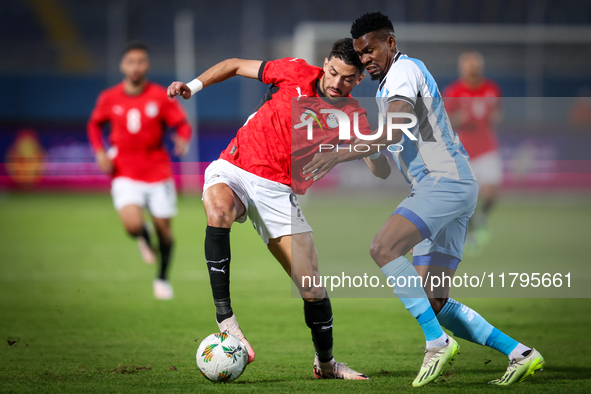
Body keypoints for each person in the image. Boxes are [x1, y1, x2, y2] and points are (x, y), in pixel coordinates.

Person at [303, 12, 544, 387]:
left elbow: (395, 126)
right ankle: (520, 353)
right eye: (360, 53)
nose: (366, 58)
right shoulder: (387, 91)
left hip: (443, 183)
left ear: (391, 44)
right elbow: (383, 168)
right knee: (432, 301)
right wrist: (363, 144)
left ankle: (436, 342)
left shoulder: (404, 71)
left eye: (370, 50)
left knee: (382, 248)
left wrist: (339, 151)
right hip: (450, 187)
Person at [167, 38, 371, 379]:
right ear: (325, 63)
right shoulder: (294, 71)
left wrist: (354, 151)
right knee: (217, 212)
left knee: (311, 288)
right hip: (235, 165)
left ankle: (326, 364)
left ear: (359, 80)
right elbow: (233, 63)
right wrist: (192, 86)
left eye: (347, 78)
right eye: (333, 72)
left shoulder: (352, 116)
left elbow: (377, 166)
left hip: (278, 191)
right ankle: (226, 319)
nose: (337, 82)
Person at [88, 41, 192, 300]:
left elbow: (182, 125)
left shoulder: (160, 96)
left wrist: (182, 137)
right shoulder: (109, 98)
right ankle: (141, 235)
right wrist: (100, 152)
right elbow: (94, 125)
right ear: (123, 66)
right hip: (124, 172)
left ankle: (162, 279)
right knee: (133, 225)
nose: (135, 67)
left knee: (165, 231)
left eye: (140, 61)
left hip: (158, 172)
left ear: (147, 65)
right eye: (130, 62)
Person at [443, 52, 503, 249]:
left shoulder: (491, 89)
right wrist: (459, 119)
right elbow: (444, 120)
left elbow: (497, 114)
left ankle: (481, 218)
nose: (472, 71)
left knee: (492, 191)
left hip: (487, 148)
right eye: (469, 68)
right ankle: (466, 229)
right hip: (464, 151)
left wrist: (494, 118)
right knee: (468, 197)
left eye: (475, 67)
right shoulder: (453, 91)